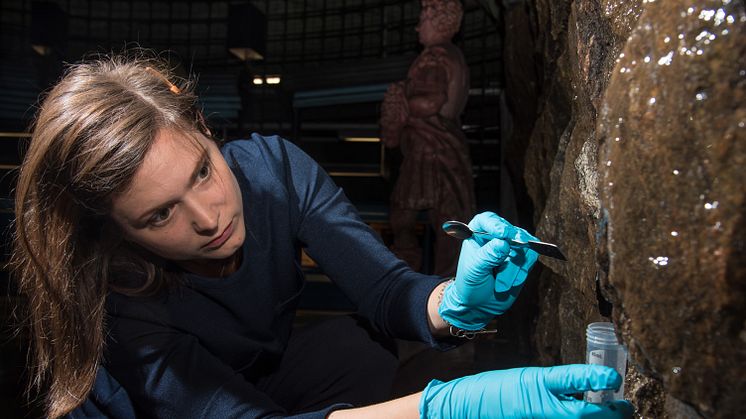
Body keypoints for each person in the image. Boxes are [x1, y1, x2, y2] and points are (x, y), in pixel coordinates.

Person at [12, 52, 633, 419]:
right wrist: (442, 409)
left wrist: (453, 305)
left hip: (254, 380)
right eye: (158, 216)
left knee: (354, 346)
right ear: (116, 230)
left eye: (202, 170)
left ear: (201, 125)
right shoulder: (117, 306)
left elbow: (385, 289)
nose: (207, 216)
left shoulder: (273, 171)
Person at [380, 0, 476, 276]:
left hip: (429, 150)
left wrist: (399, 100)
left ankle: (406, 284)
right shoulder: (454, 55)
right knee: (451, 229)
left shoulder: (434, 56)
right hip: (447, 148)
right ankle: (448, 292)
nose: (417, 26)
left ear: (438, 22)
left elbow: (430, 102)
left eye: (423, 19)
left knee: (403, 218)